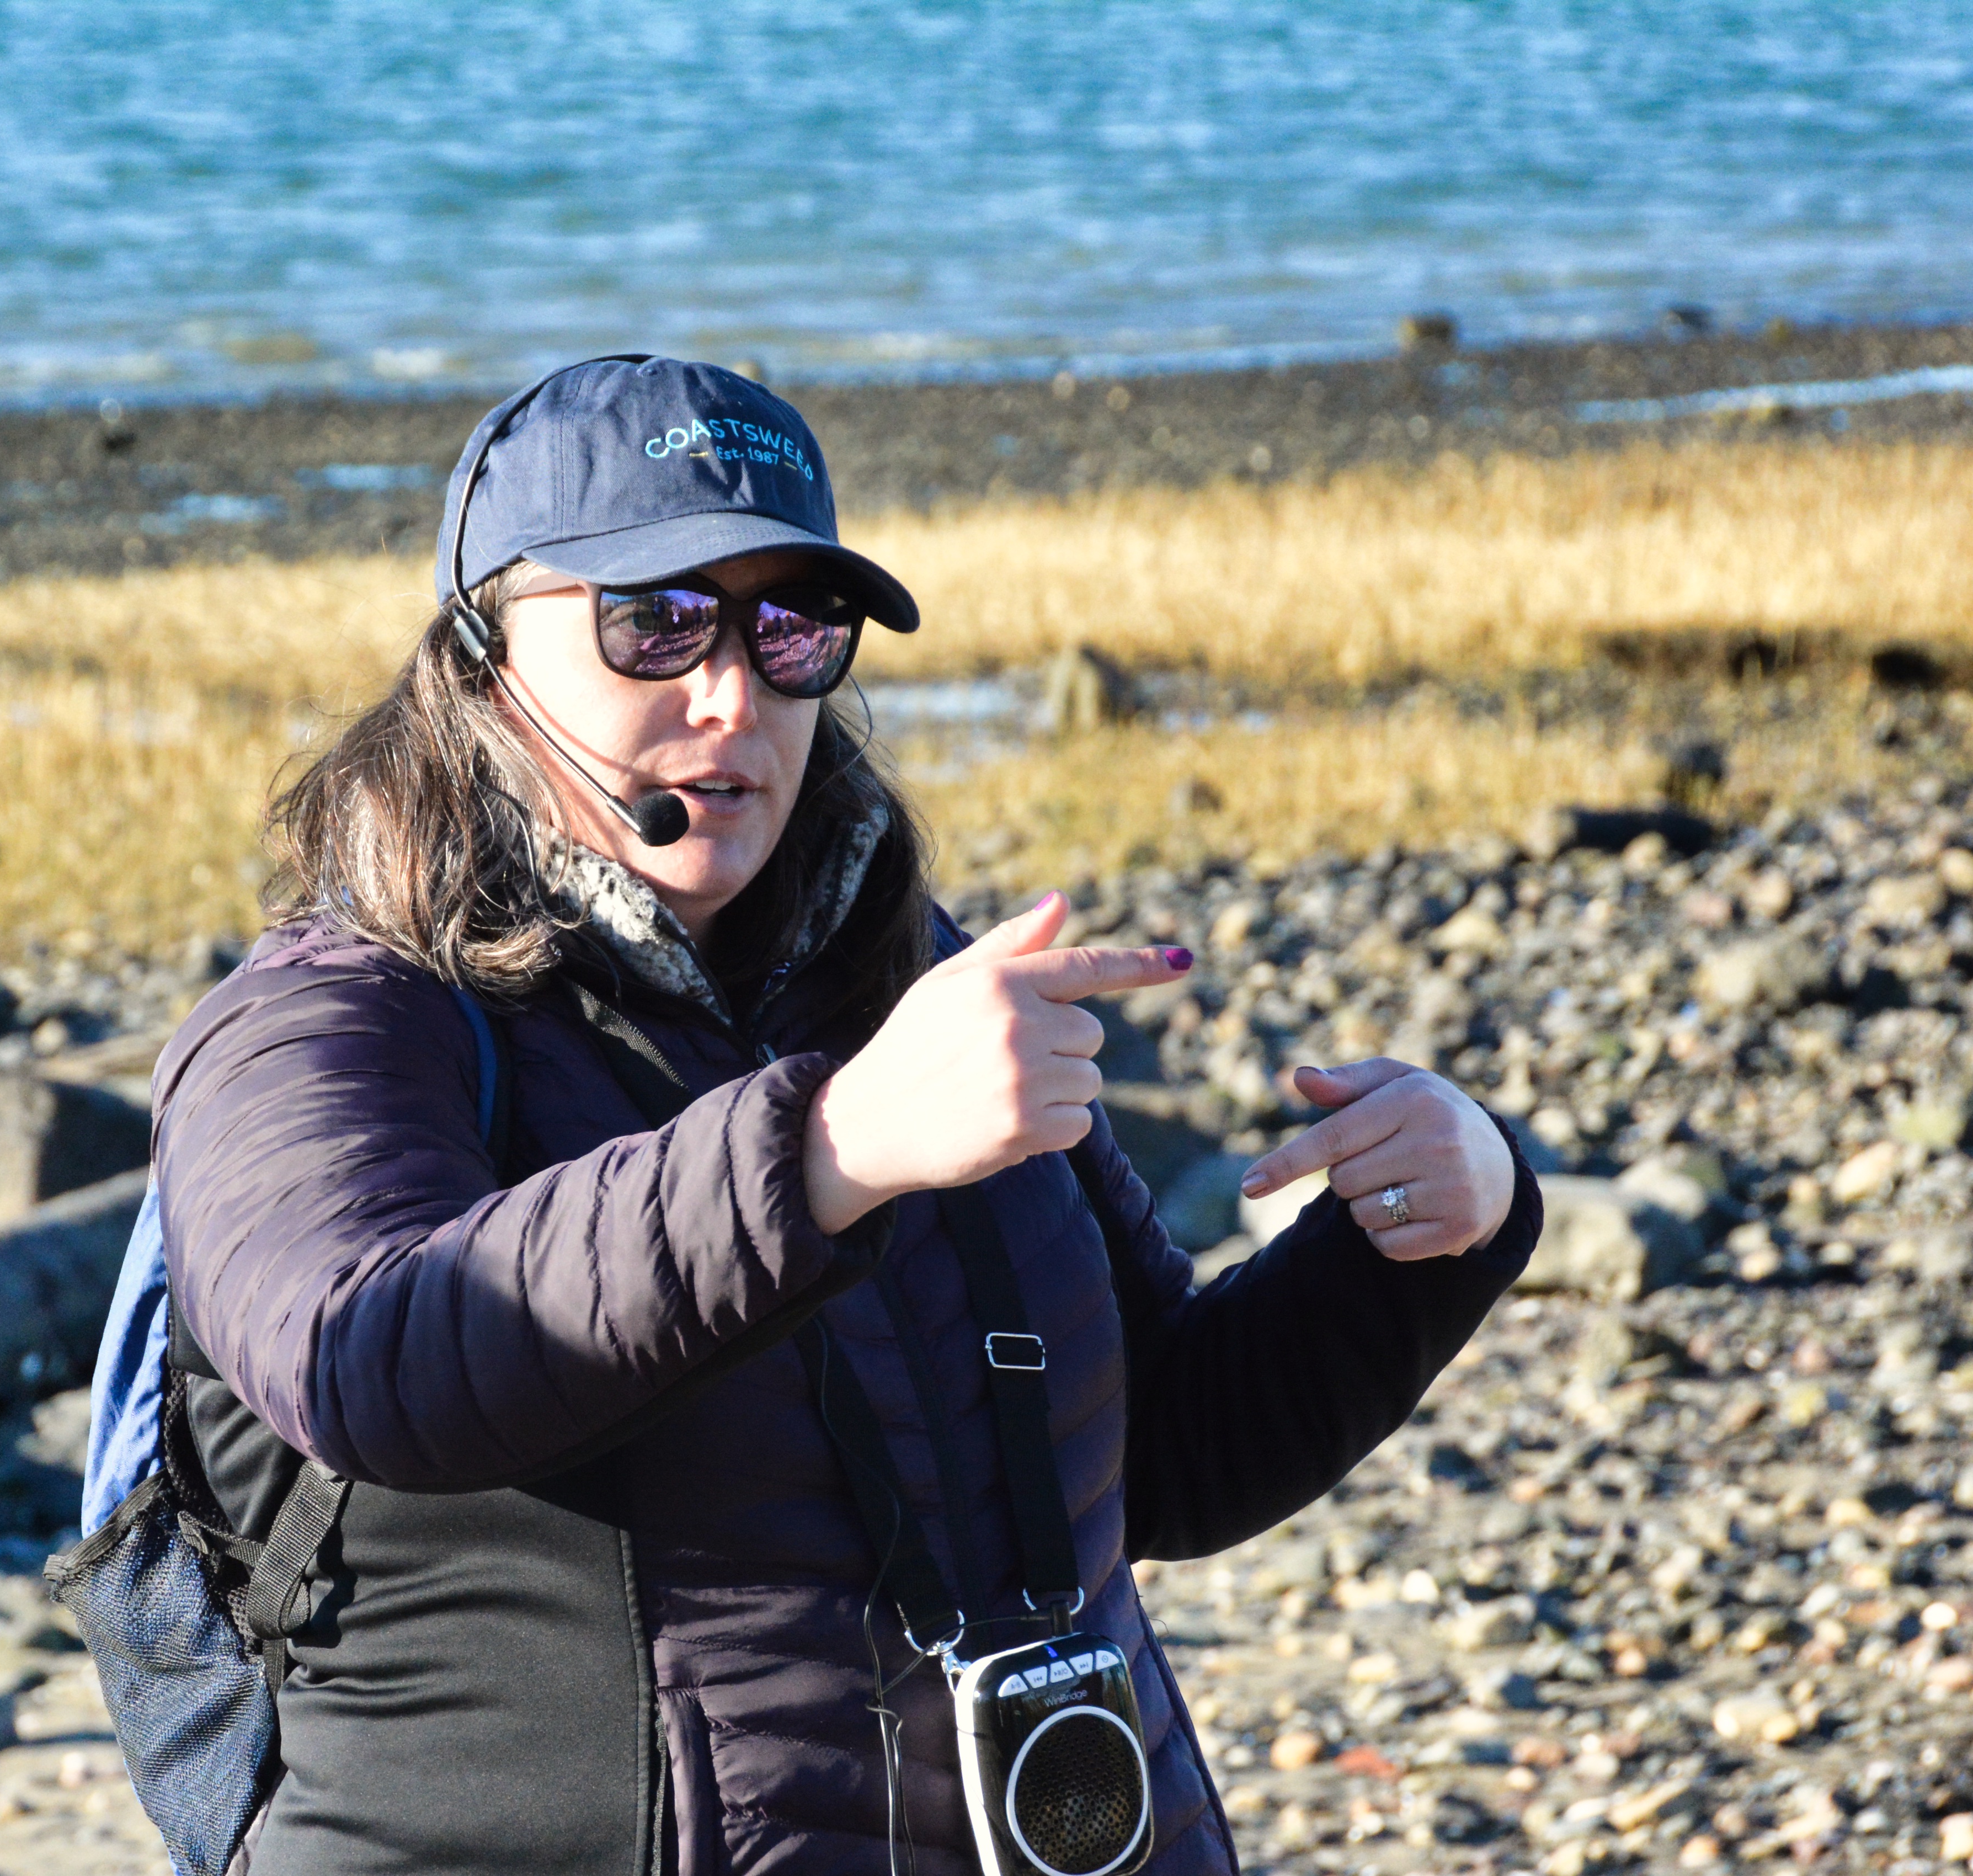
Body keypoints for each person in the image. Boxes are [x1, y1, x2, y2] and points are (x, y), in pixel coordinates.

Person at [151, 356, 1541, 1876]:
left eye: (790, 628)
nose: (728, 692)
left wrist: (1422, 1232)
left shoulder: (906, 985)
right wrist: (826, 1154)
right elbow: (368, 1361)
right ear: (481, 655)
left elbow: (1156, 1460)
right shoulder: (328, 1017)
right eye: (654, 621)